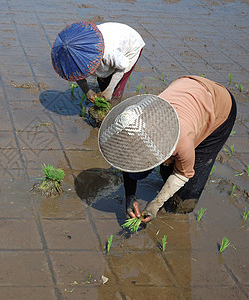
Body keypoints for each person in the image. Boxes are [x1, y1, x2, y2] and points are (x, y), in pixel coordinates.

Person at [98, 75, 237, 223]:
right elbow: (128, 160)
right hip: (185, 86)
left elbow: (183, 174)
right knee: (166, 170)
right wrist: (130, 196)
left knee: (188, 190)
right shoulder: (133, 123)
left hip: (220, 106)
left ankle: (182, 209)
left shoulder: (181, 141)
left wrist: (155, 205)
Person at [51, 22, 145, 103]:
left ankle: (113, 113)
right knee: (103, 85)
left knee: (115, 91)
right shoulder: (69, 54)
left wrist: (110, 89)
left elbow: (122, 66)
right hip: (110, 47)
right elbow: (76, 72)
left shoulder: (109, 52)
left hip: (130, 45)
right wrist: (87, 90)